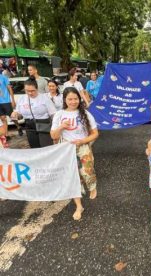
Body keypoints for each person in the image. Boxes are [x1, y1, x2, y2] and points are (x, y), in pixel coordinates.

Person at [50, 87, 99, 221]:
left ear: (79, 99)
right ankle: (79, 206)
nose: (73, 102)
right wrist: (61, 127)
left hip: (83, 146)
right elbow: (53, 135)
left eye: (75, 99)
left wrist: (83, 140)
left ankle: (92, 186)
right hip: (65, 148)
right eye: (70, 99)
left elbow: (95, 133)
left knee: (87, 171)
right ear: (65, 100)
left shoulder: (85, 114)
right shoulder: (59, 115)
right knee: (71, 175)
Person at [11, 76, 56, 148]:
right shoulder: (22, 99)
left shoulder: (44, 98)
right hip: (29, 127)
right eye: (27, 91)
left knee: (46, 147)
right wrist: (15, 114)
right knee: (34, 148)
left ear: (37, 89)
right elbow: (20, 115)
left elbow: (53, 114)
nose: (30, 93)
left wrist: (55, 128)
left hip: (44, 126)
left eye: (32, 91)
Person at [0, 73, 17, 140]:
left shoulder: (3, 77)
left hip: (6, 101)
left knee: (12, 116)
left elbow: (9, 89)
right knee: (3, 118)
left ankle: (18, 126)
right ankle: (6, 135)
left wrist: (13, 100)